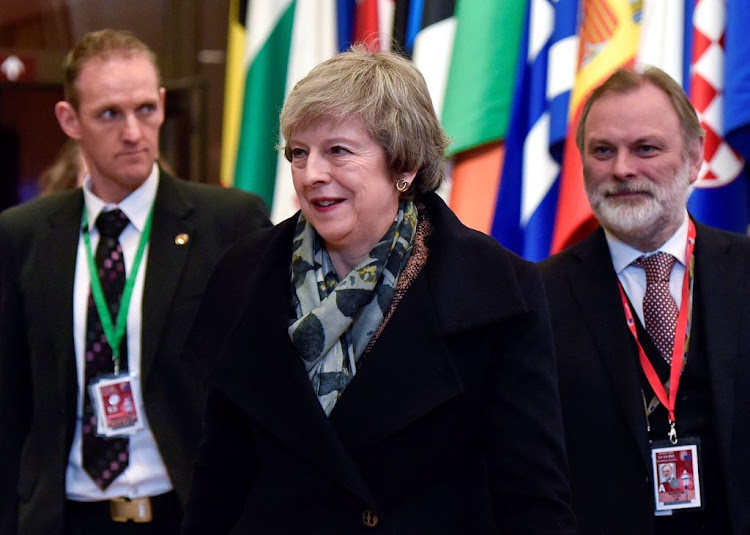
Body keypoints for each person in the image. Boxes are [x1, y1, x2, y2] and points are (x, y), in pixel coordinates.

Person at [178, 45, 576, 535]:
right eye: (298, 153)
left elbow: (531, 494)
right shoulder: (245, 272)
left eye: (338, 151)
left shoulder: (496, 287)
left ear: (404, 165)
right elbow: (220, 474)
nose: (312, 174)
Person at [0, 29, 270, 534]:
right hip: (66, 517)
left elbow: (263, 387)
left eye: (146, 109)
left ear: (163, 105)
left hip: (187, 514)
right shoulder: (24, 235)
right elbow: (11, 402)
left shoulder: (226, 224)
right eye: (109, 113)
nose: (133, 132)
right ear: (69, 120)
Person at [539, 65, 750, 534]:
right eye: (602, 151)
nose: (622, 169)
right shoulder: (538, 298)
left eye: (646, 148)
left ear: (695, 158)